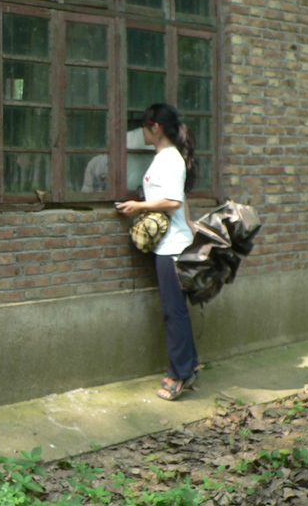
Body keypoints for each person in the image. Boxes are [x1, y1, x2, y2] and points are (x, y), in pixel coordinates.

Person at [116, 103, 199, 401]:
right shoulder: (164, 157)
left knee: (173, 313)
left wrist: (138, 207)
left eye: (143, 126)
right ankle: (188, 367)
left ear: (155, 127)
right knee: (175, 312)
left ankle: (179, 375)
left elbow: (174, 201)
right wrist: (190, 224)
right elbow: (182, 201)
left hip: (172, 248)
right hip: (169, 244)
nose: (141, 132)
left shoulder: (171, 159)